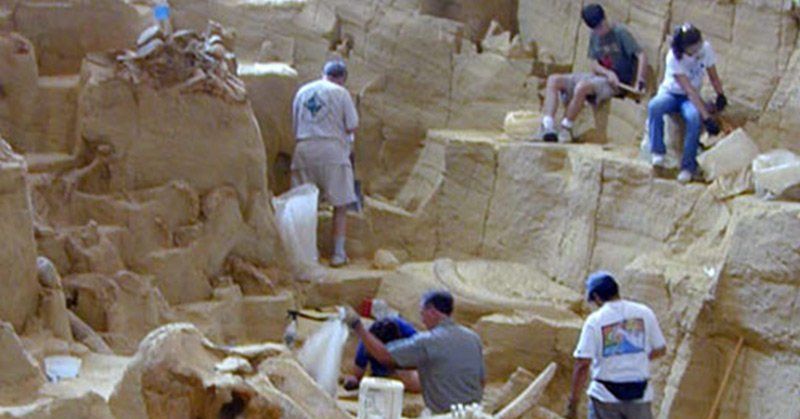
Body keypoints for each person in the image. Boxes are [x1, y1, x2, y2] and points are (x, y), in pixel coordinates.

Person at [345, 290, 485, 414]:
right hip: (474, 412)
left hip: (445, 414)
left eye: (422, 312)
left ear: (432, 311)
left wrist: (357, 326)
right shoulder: (473, 337)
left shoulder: (427, 341)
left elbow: (385, 356)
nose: (422, 318)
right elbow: (482, 380)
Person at [540, 3, 647, 143]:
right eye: (596, 29)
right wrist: (607, 72)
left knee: (582, 87)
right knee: (554, 80)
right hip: (601, 77)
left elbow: (641, 55)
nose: (600, 31)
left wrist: (640, 81)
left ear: (605, 19)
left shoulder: (620, 33)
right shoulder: (594, 36)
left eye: (601, 26)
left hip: (616, 83)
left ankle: (566, 127)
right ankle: (548, 126)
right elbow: (593, 63)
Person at [566, 272, 667, 419]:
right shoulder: (645, 313)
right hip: (640, 398)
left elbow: (582, 364)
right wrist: (637, 358)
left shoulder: (595, 321)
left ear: (596, 297)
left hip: (605, 398)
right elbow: (660, 349)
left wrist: (573, 404)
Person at [291, 60, 359, 267]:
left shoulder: (303, 92)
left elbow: (294, 125)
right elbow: (352, 125)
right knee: (340, 205)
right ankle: (338, 254)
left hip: (304, 150)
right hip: (332, 152)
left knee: (304, 206)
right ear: (342, 79)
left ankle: (305, 255)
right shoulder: (341, 93)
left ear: (323, 74)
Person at [648, 23, 727, 184]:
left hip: (689, 97)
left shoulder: (705, 49)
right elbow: (688, 89)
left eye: (699, 43)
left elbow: (713, 75)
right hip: (672, 93)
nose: (698, 48)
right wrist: (707, 117)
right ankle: (658, 152)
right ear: (684, 47)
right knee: (655, 106)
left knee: (693, 118)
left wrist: (720, 94)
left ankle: (687, 166)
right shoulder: (674, 57)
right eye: (694, 46)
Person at [343, 317, 421, 392]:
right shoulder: (366, 344)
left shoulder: (410, 336)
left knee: (414, 381)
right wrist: (354, 381)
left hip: (402, 366)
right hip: (379, 374)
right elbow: (358, 373)